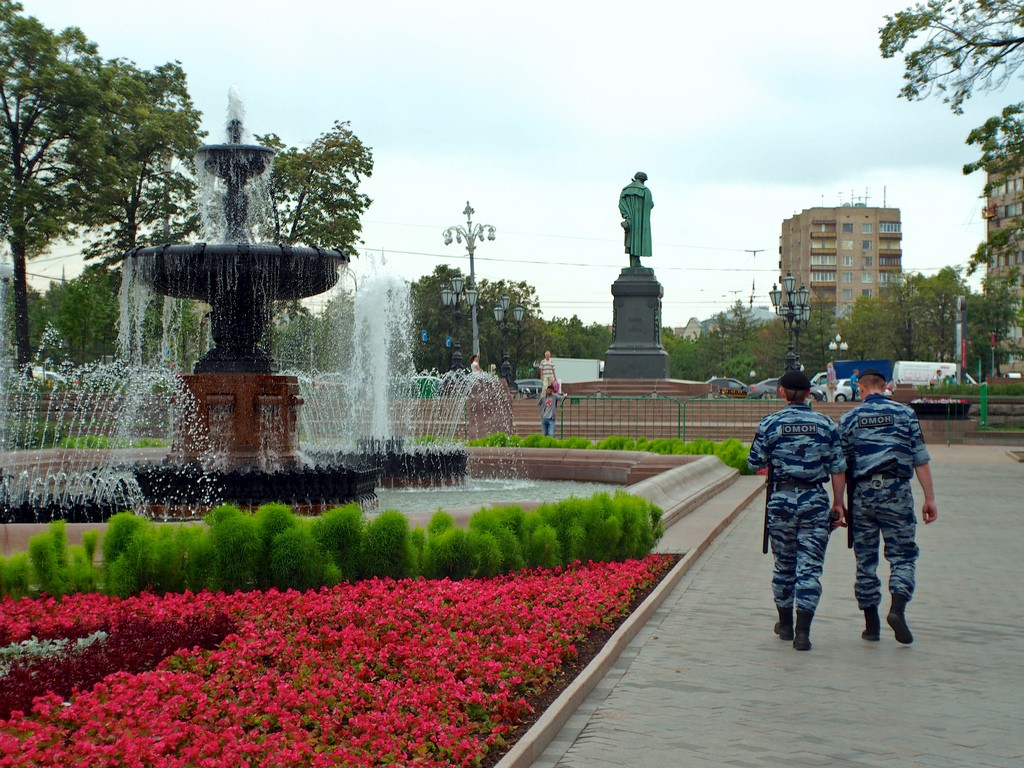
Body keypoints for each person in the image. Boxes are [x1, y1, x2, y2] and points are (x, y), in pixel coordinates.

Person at [747, 370, 847, 651]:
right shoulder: (826, 424)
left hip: (781, 502)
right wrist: (838, 503)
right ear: (807, 393)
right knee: (810, 568)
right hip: (815, 502)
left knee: (784, 565)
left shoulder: (770, 424)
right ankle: (803, 632)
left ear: (782, 392)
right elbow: (838, 468)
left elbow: (753, 463)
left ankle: (785, 624)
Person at [838, 368, 937, 645]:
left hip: (863, 495)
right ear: (885, 386)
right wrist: (929, 498)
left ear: (861, 388)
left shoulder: (849, 419)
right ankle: (897, 609)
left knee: (866, 560)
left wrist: (839, 502)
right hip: (897, 492)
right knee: (903, 555)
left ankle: (871, 625)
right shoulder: (905, 415)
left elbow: (840, 466)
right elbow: (920, 458)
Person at [618, 171, 654, 267]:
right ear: (643, 180)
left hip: (630, 220)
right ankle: (635, 263)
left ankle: (634, 263)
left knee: (631, 240)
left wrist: (626, 216)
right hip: (641, 221)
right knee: (638, 239)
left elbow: (621, 204)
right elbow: (651, 205)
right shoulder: (645, 190)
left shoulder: (625, 190)